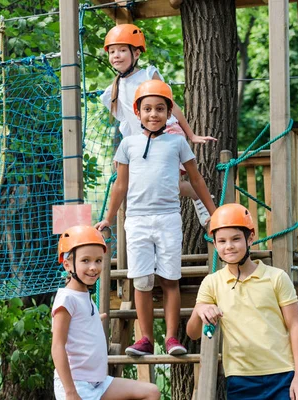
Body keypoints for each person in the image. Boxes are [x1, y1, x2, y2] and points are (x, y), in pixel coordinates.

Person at [95, 81, 216, 357]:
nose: (153, 114)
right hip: (137, 220)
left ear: (169, 112)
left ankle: (172, 338)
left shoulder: (177, 142)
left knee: (170, 279)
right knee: (142, 282)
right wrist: (108, 218)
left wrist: (213, 212)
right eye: (147, 109)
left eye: (160, 109)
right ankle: (146, 338)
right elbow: (120, 186)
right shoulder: (128, 144)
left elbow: (195, 179)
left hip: (167, 219)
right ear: (137, 112)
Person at [186, 203, 298, 400]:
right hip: (240, 380)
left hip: (282, 374)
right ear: (215, 244)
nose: (229, 246)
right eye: (222, 241)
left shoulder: (276, 277)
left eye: (236, 239)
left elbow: (296, 326)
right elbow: (192, 333)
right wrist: (200, 309)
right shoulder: (212, 283)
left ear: (250, 237)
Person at [101, 23, 217, 227]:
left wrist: (191, 135)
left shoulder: (147, 75)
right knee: (150, 182)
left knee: (170, 182)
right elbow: (128, 122)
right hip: (143, 140)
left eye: (121, 50)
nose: (116, 55)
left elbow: (173, 106)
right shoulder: (114, 89)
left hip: (166, 132)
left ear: (136, 53)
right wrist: (122, 155)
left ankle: (202, 201)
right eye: (112, 51)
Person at [52, 225, 161, 400]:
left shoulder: (84, 295)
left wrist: (93, 321)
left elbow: (79, 325)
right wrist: (70, 392)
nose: (93, 267)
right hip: (77, 385)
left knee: (151, 392)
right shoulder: (66, 300)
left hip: (99, 383)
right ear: (67, 265)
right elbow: (57, 346)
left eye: (98, 260)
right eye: (85, 260)